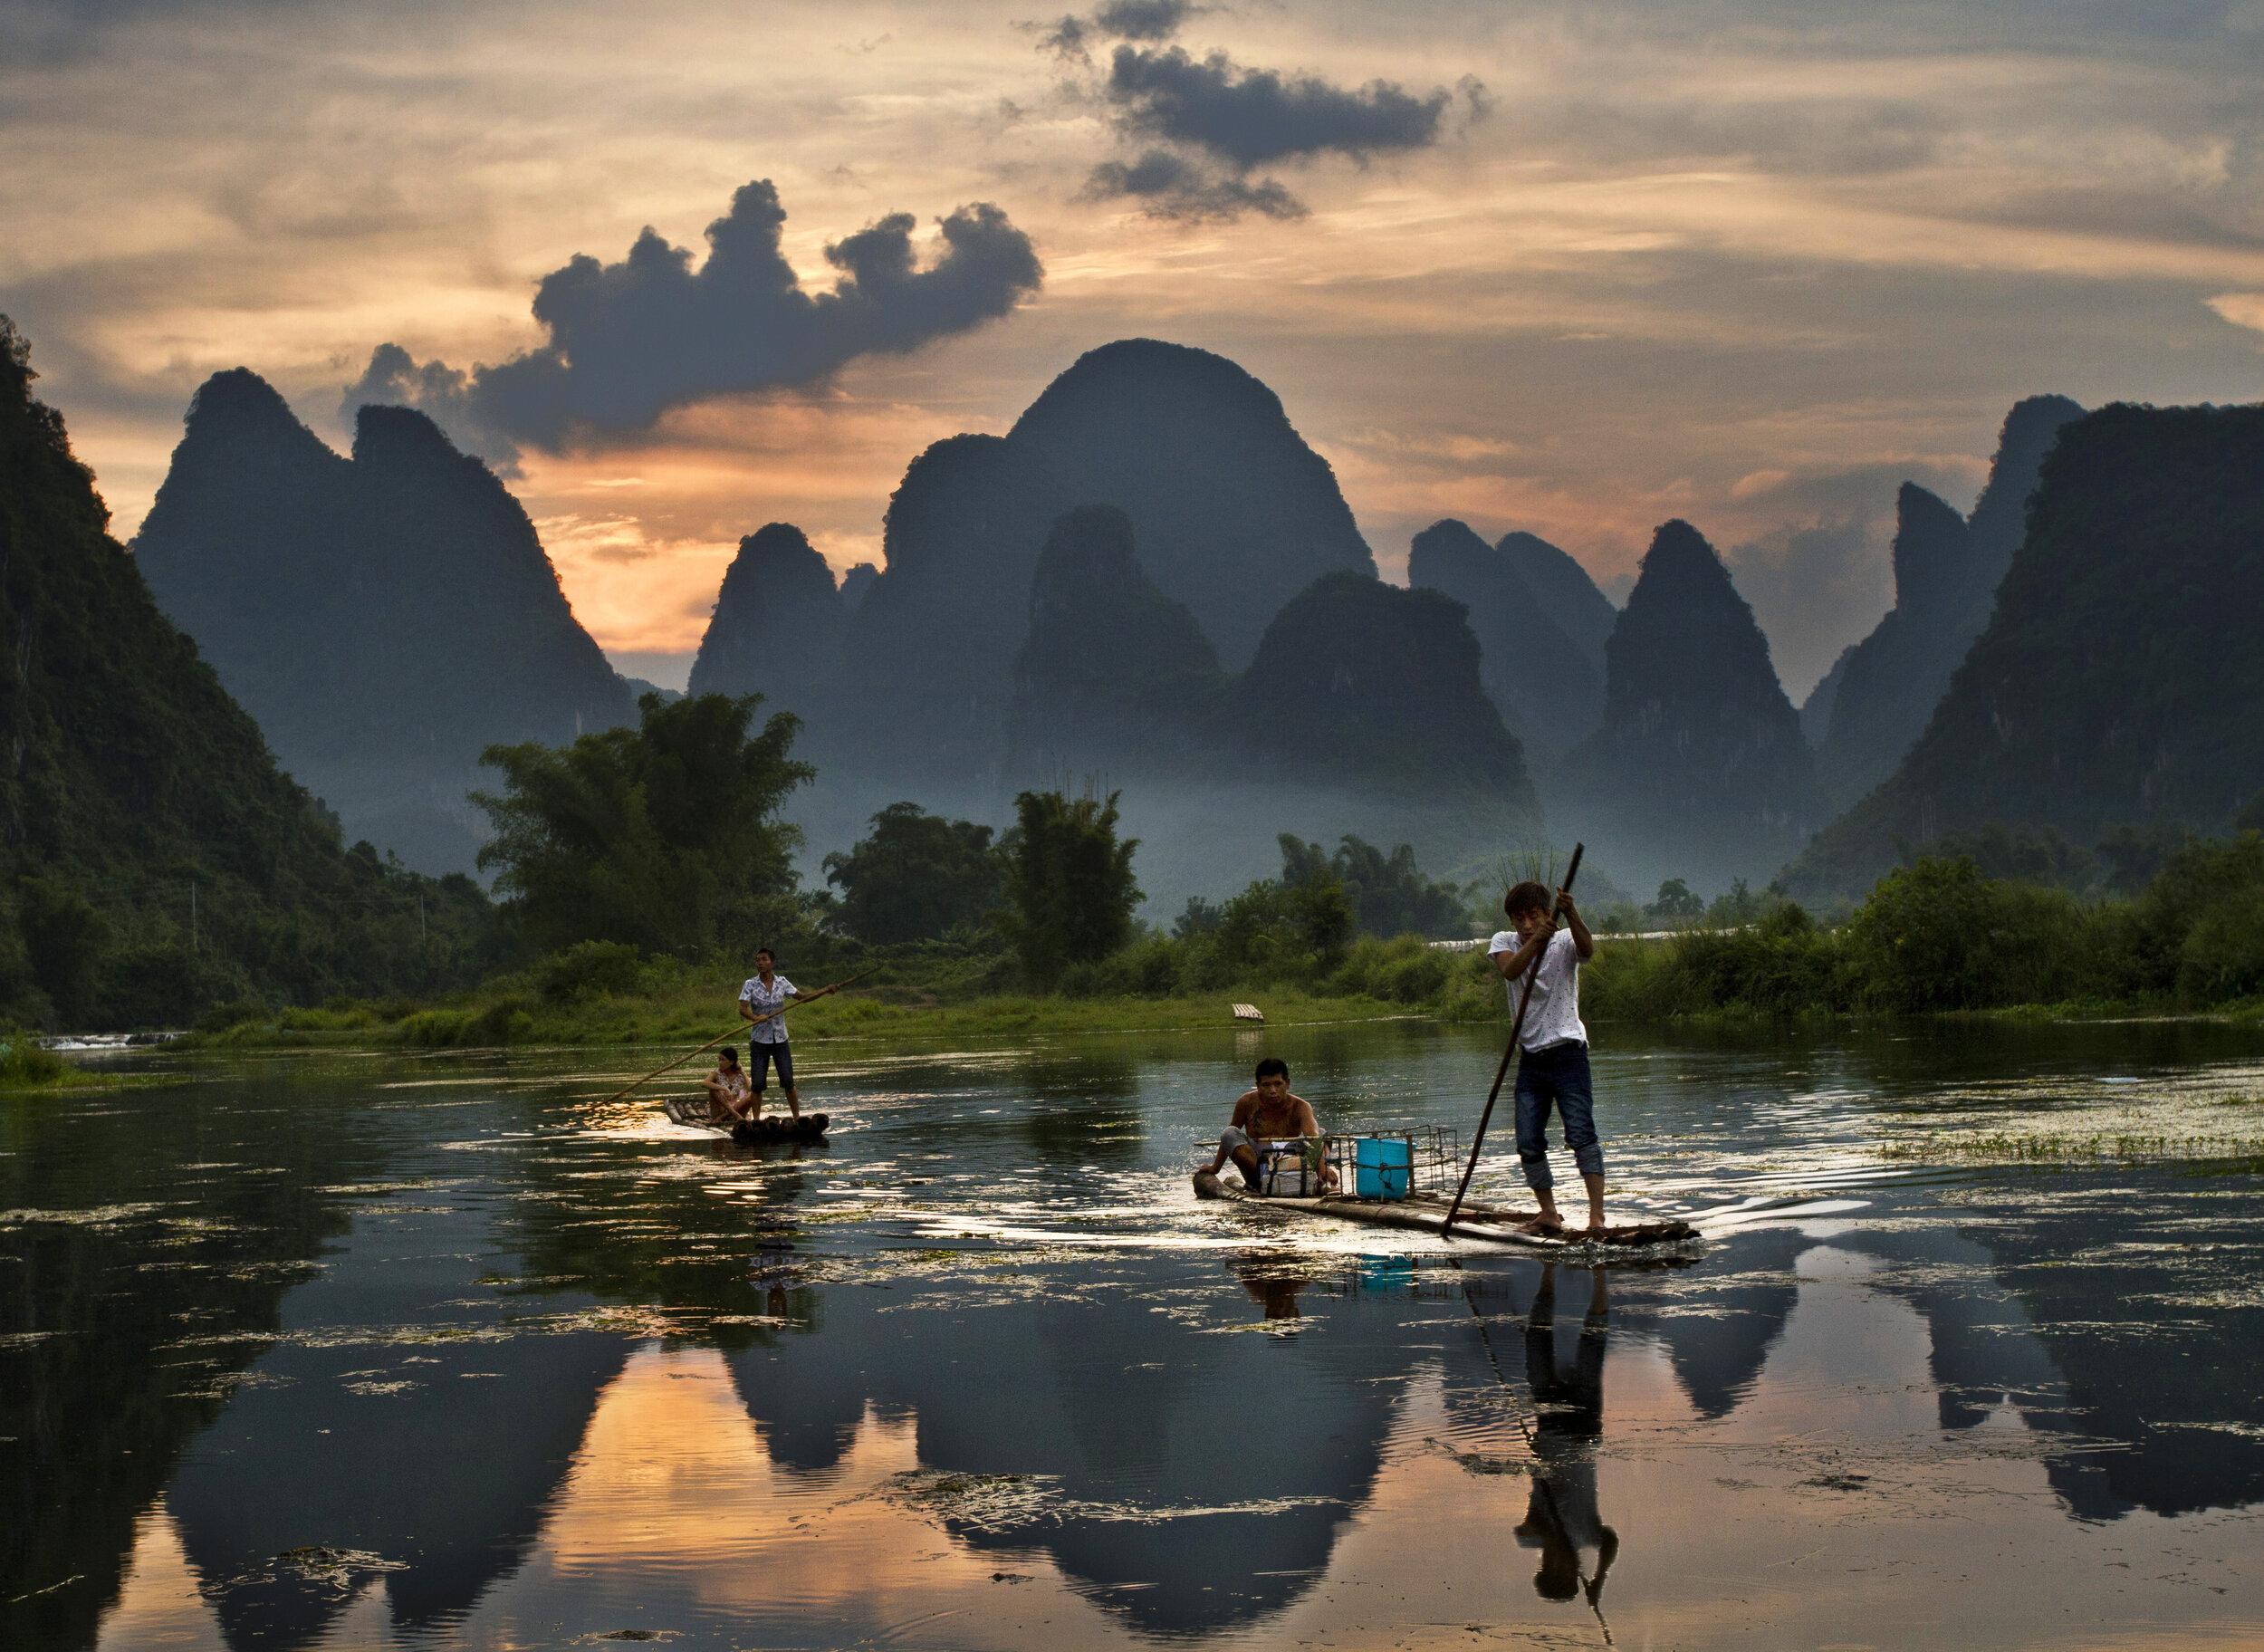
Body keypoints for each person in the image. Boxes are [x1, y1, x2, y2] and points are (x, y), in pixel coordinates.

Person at [1490, 879, 1601, 1236]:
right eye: (1518, 918)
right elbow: (1511, 970)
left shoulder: (1565, 940)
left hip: (1569, 1054)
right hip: (1531, 1059)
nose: (1524, 925)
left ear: (1545, 914)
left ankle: (1596, 1217)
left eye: (1533, 916)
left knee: (1581, 1134)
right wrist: (1536, 939)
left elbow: (1588, 949)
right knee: (1528, 1140)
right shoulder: (1503, 942)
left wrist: (1571, 912)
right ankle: (1549, 1213)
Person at [1514, 1263, 1618, 1609]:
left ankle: (1548, 1269)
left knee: (1535, 1340)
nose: (1556, 1564)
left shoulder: (1534, 1538)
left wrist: (1551, 1536)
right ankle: (1601, 1276)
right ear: (1574, 1571)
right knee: (1592, 1345)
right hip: (1583, 1430)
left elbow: (1527, 1526)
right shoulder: (1585, 1535)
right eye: (1563, 1571)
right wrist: (1600, 1579)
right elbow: (1610, 1541)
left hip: (1548, 1426)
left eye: (1550, 1569)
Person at [1204, 1057, 1338, 1193]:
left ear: (1287, 1084)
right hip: (1259, 1163)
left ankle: (1322, 1183)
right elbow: (1229, 1138)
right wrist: (1215, 1167)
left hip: (1294, 1161)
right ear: (1258, 1086)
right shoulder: (1246, 1103)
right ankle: (1260, 1184)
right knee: (1229, 1133)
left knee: (1321, 1133)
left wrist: (1324, 1167)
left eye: (1278, 1084)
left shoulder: (1301, 1106)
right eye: (1266, 1085)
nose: (1273, 1090)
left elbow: (1313, 1137)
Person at [737, 946, 802, 1119]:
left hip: (780, 1039)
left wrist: (826, 990)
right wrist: (756, 1017)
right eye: (758, 960)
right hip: (759, 1041)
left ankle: (797, 1118)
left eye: (764, 959)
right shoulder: (750, 984)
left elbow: (802, 997)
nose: (760, 963)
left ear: (772, 963)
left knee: (788, 1081)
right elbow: (743, 1009)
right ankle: (757, 1120)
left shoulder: (782, 982)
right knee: (757, 1084)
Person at [703, 1046, 755, 1123]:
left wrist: (743, 1072)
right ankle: (734, 1115)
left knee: (752, 1094)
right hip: (720, 1111)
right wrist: (724, 1088)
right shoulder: (716, 1073)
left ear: (732, 1062)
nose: (720, 1062)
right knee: (713, 1090)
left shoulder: (740, 1075)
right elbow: (704, 1083)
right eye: (719, 1060)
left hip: (736, 1110)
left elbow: (752, 1090)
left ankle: (726, 1116)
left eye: (723, 1060)